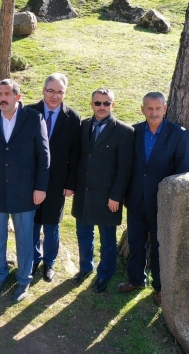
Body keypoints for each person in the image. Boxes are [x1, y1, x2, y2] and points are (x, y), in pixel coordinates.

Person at [0, 79, 50, 302]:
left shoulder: (34, 118)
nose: (2, 98)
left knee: (25, 239)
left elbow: (44, 156)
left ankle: (24, 279)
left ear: (18, 97)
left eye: (7, 94)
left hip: (25, 191)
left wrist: (40, 188)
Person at [118, 92, 189, 306]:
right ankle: (136, 280)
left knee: (160, 247)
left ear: (165, 109)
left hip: (162, 202)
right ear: (143, 109)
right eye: (149, 108)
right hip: (135, 199)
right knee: (135, 241)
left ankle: (160, 288)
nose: (154, 112)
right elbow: (127, 165)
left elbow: (182, 171)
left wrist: (174, 201)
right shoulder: (134, 131)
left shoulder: (178, 134)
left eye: (158, 108)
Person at [71, 88, 134, 293]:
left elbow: (124, 169)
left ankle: (105, 274)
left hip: (108, 196)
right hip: (84, 192)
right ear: (91, 104)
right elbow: (78, 157)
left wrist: (116, 196)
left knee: (107, 239)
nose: (102, 107)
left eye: (106, 103)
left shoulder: (124, 131)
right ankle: (85, 267)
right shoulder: (84, 126)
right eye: (97, 103)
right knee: (83, 234)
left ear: (112, 105)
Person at [28, 73, 81, 282]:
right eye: (51, 91)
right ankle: (33, 259)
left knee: (52, 223)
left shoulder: (73, 117)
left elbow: (75, 154)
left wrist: (70, 183)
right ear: (44, 90)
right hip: (31, 178)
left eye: (60, 92)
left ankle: (49, 262)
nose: (55, 96)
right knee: (32, 221)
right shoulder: (30, 112)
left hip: (58, 181)